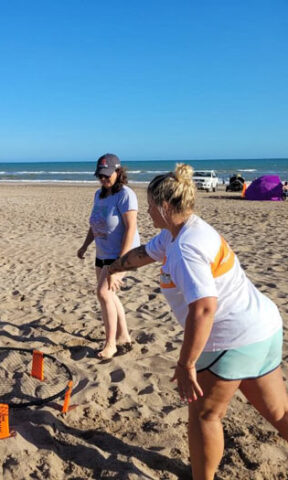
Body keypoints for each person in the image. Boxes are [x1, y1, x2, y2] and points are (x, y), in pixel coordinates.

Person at [101, 164, 288, 480]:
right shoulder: (180, 232)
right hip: (263, 328)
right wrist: (115, 267)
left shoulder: (187, 248)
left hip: (232, 338)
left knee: (205, 415)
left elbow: (203, 309)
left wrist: (186, 364)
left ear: (165, 206)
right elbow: (144, 253)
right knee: (279, 413)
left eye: (150, 205)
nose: (148, 211)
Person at [77, 153, 140, 359]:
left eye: (107, 175)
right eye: (100, 176)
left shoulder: (126, 195)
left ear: (118, 172)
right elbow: (95, 223)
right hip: (102, 252)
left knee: (103, 293)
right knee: (110, 295)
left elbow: (130, 229)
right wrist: (85, 245)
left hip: (120, 254)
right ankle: (124, 336)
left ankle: (110, 344)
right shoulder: (99, 195)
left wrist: (120, 264)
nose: (103, 179)